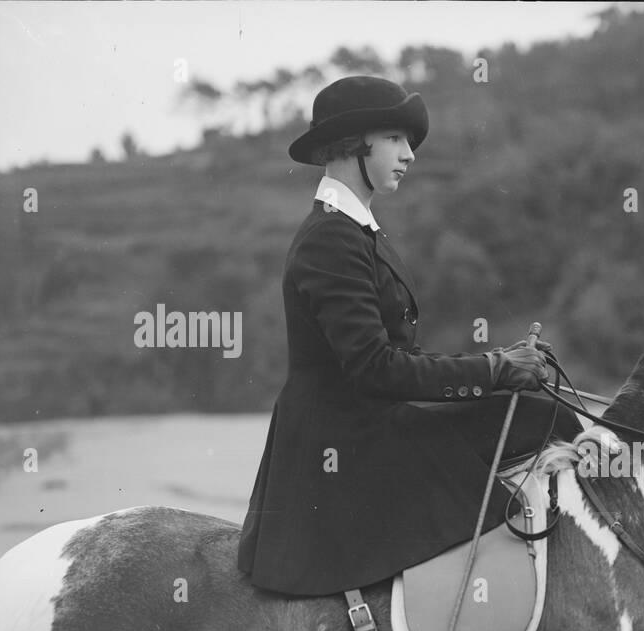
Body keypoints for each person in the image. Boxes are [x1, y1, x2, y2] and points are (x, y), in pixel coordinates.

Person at [237, 76, 578, 596]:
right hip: (345, 441)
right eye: (395, 138)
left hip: (374, 420)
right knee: (544, 419)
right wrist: (494, 370)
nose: (410, 155)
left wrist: (499, 365)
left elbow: (403, 358)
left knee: (545, 413)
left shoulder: (357, 230)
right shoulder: (330, 238)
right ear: (355, 144)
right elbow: (377, 367)